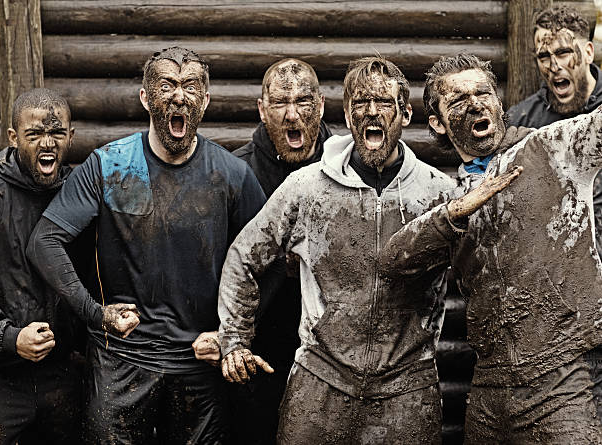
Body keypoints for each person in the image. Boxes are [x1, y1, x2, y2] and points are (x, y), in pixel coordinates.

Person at [27, 47, 266, 444]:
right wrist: (95, 313)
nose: (179, 97)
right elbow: (44, 242)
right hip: (121, 361)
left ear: (205, 101)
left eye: (191, 87)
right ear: (145, 98)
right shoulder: (111, 165)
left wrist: (233, 334)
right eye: (167, 85)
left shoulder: (232, 175)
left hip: (198, 365)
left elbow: (268, 264)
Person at [217, 56, 457, 444]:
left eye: (383, 102)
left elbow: (482, 275)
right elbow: (243, 257)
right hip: (320, 382)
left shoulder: (437, 193)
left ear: (406, 113)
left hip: (407, 391)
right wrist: (234, 340)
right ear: (346, 114)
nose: (371, 112)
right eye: (360, 103)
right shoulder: (307, 188)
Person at [380, 53, 602, 444]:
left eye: (483, 93)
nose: (476, 103)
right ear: (438, 123)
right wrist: (456, 212)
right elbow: (394, 261)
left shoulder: (554, 148)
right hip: (489, 388)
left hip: (565, 378)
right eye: (459, 100)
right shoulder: (450, 200)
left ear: (499, 104)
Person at [228, 58, 331, 444]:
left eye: (303, 101)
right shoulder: (236, 174)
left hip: (332, 355)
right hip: (259, 356)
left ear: (320, 106)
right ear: (261, 109)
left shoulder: (349, 167)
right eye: (279, 102)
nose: (292, 114)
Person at [507, 6, 602, 414]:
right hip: (556, 302)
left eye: (563, 53)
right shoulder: (522, 120)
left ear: (587, 50)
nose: (553, 66)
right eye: (544, 57)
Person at [0, 88, 85, 444]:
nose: (47, 143)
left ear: (71, 136)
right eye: (34, 134)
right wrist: (11, 338)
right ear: (13, 138)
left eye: (57, 133)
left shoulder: (81, 192)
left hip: (64, 376)